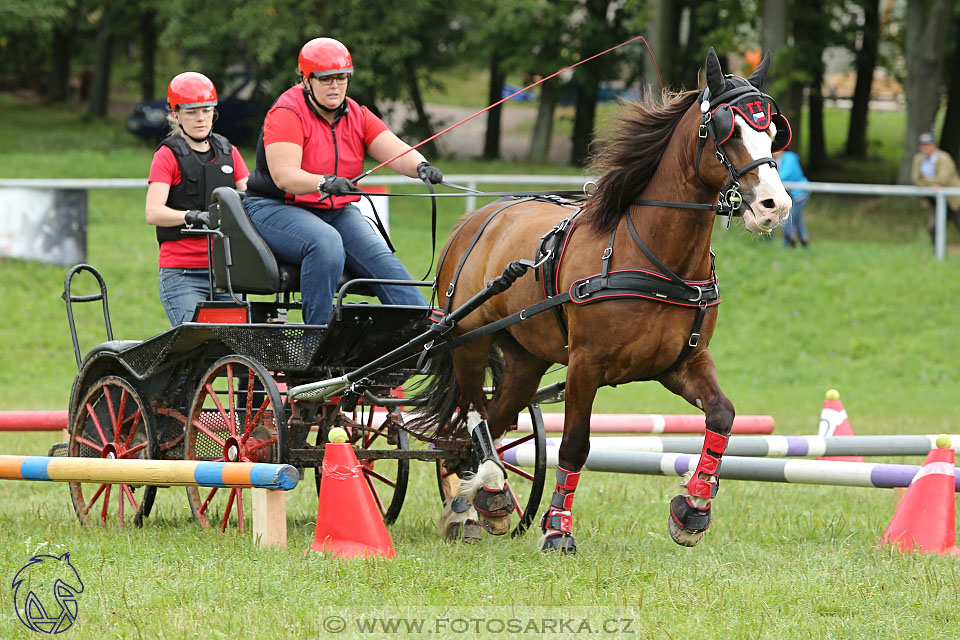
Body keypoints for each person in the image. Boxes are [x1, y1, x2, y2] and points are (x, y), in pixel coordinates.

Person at [244, 37, 440, 325]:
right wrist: (323, 182)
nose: (335, 86)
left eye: (342, 77)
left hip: (334, 210)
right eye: (326, 79)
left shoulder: (356, 113)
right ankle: (319, 337)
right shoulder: (286, 113)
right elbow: (284, 176)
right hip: (274, 207)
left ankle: (424, 334)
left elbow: (394, 150)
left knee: (382, 260)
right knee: (325, 243)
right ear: (306, 80)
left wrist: (420, 166)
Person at [145, 72, 250, 325]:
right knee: (198, 347)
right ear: (175, 115)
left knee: (240, 348)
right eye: (191, 112)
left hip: (227, 272)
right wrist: (191, 216)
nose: (200, 118)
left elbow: (251, 201)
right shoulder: (167, 155)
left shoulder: (229, 152)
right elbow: (153, 212)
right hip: (183, 273)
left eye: (206, 110)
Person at [911, 132, 960, 245]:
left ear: (934, 146)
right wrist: (931, 183)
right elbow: (915, 180)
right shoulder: (918, 159)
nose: (926, 148)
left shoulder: (943, 158)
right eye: (923, 145)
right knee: (934, 229)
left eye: (928, 145)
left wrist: (925, 179)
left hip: (954, 200)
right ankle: (938, 254)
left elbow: (943, 179)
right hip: (936, 200)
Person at [774, 148, 810, 248]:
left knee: (788, 218)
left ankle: (789, 242)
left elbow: (784, 175)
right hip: (793, 194)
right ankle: (804, 241)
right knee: (798, 219)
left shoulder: (789, 158)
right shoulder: (777, 160)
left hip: (800, 193)